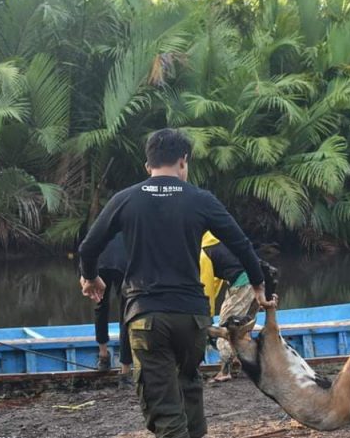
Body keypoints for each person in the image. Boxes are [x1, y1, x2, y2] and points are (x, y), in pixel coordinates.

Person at [78, 128, 273, 438]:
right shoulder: (200, 199)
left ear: (147, 166)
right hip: (192, 318)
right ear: (184, 161)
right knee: (190, 390)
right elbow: (241, 244)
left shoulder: (125, 200)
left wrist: (91, 278)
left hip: (146, 317)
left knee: (165, 409)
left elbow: (89, 248)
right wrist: (260, 285)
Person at [200, 231, 263, 383]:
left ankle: (225, 371)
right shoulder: (219, 239)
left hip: (243, 284)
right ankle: (245, 364)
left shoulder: (203, 251)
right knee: (242, 328)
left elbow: (206, 285)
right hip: (257, 281)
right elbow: (215, 281)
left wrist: (206, 314)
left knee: (225, 328)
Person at [93, 232, 133, 387]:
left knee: (100, 307)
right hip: (123, 262)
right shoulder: (130, 214)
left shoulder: (104, 217)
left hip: (100, 261)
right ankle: (125, 371)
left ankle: (103, 357)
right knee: (126, 314)